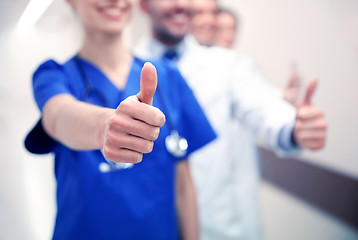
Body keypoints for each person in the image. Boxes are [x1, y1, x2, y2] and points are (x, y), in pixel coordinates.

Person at [133, 0, 327, 239]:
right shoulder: (125, 66)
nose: (182, 4)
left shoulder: (228, 65)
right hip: (153, 226)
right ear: (143, 5)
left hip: (220, 226)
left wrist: (293, 128)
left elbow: (264, 108)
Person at [24, 0, 217, 239]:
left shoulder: (167, 76)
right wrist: (104, 127)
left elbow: (184, 186)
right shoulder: (54, 75)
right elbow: (58, 117)